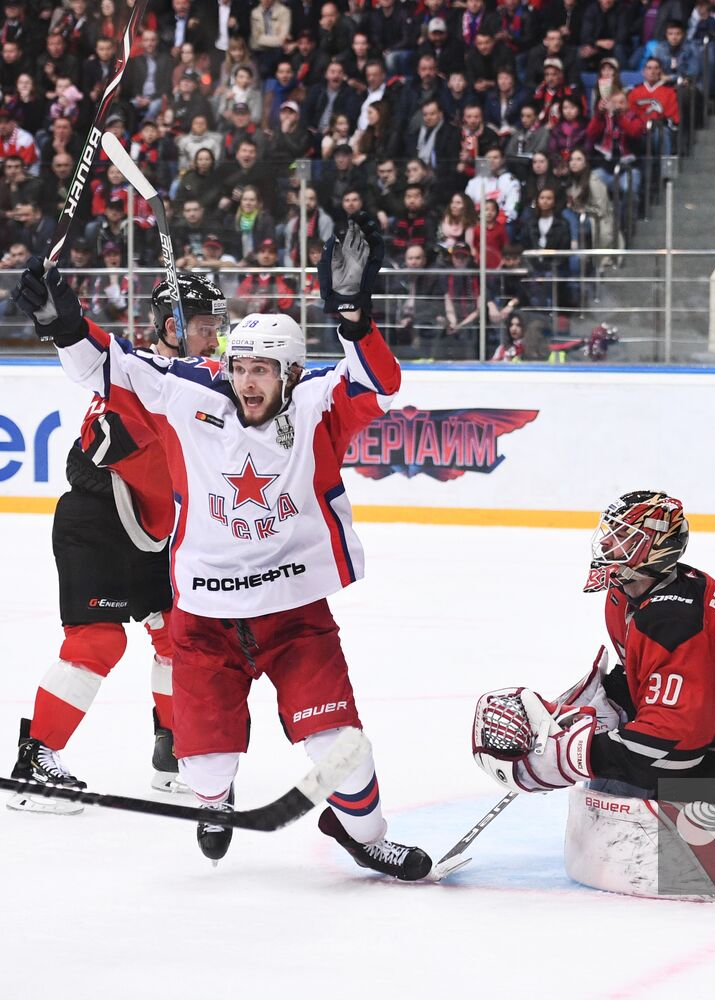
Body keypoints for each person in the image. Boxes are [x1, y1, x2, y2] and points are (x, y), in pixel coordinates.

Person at [16, 212, 432, 879]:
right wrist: (62, 322)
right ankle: (215, 793)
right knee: (204, 771)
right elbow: (105, 367)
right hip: (206, 619)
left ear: (291, 373)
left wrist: (352, 317)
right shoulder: (191, 394)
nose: (247, 381)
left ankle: (365, 836)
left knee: (343, 749)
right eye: (240, 366)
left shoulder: (320, 402)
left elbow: (379, 381)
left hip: (296, 616)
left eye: (263, 369)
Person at [471, 491, 715, 912]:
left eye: (625, 538)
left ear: (659, 547)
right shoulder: (628, 595)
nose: (609, 546)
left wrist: (572, 756)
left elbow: (677, 749)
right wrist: (585, 709)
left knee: (623, 783)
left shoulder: (673, 619)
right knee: (611, 778)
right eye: (610, 535)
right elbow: (648, 682)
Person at [7, 273, 229, 812]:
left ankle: (171, 756)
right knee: (98, 643)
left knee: (178, 638)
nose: (218, 339)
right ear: (175, 327)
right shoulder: (142, 374)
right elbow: (95, 355)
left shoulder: (193, 373)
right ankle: (34, 760)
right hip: (99, 520)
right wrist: (62, 324)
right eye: (207, 328)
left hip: (152, 529)